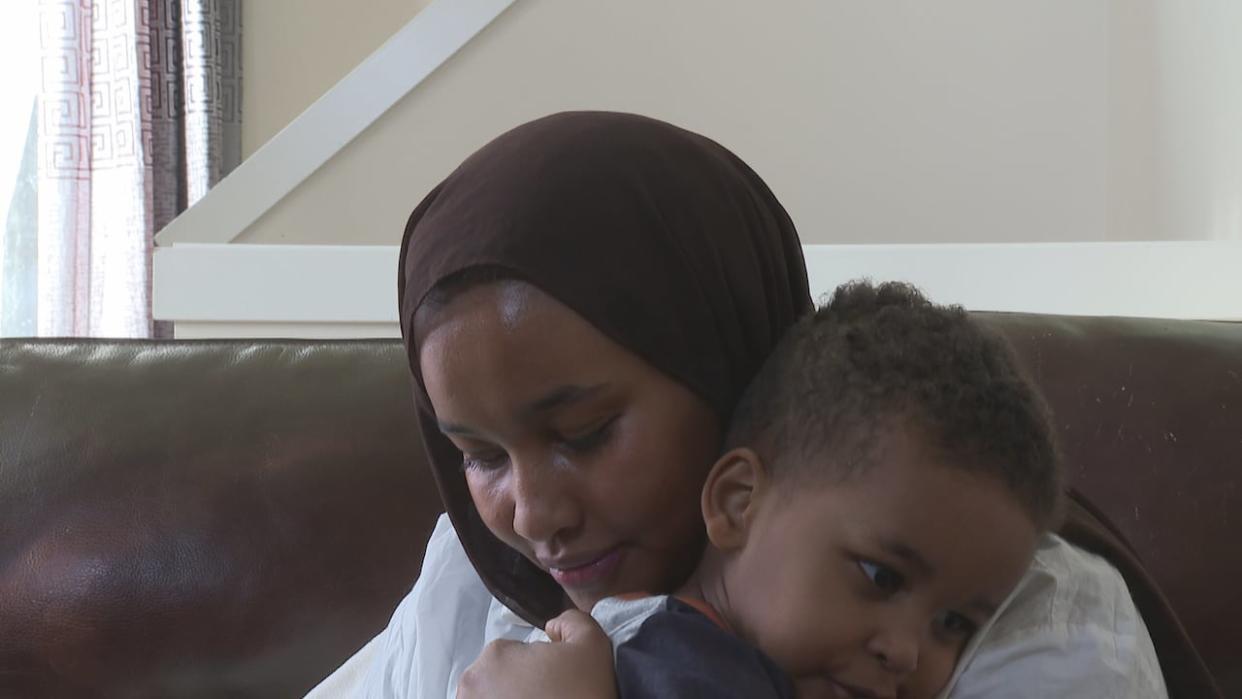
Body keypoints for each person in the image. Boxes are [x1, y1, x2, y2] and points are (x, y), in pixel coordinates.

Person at [306, 112, 1168, 698]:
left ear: (725, 363)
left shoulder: (1033, 615)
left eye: (585, 432)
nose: (535, 517)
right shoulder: (479, 579)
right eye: (480, 455)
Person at [513, 280, 1063, 699]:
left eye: (953, 624)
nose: (905, 653)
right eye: (880, 576)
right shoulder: (683, 666)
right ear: (738, 503)